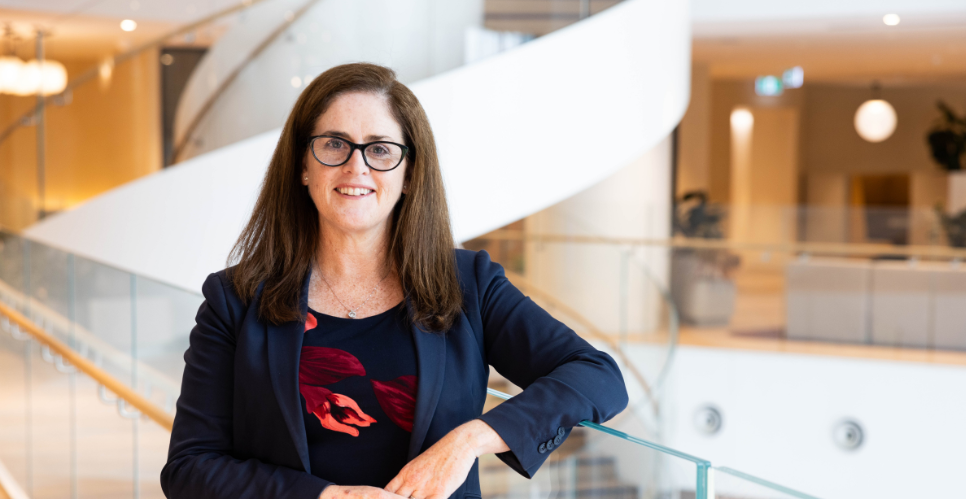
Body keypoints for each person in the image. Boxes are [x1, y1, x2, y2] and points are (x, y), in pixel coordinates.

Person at [160, 62, 628, 499]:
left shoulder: (470, 285)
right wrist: (323, 497)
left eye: (381, 149)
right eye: (334, 144)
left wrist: (468, 440)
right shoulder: (234, 300)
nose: (356, 166)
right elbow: (189, 467)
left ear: (408, 175)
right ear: (303, 165)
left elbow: (597, 375)